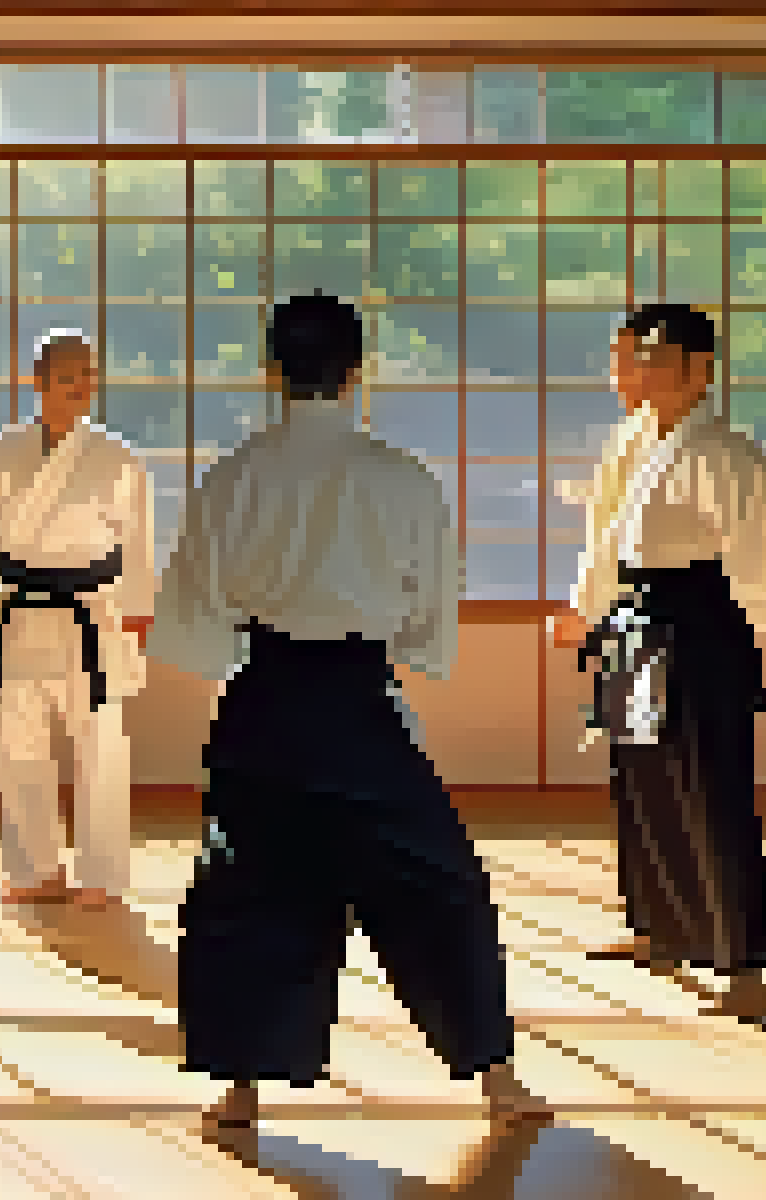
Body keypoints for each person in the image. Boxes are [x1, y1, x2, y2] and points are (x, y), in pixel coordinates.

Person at [150, 293, 544, 1136]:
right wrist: (398, 646)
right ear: (357, 372)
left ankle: (241, 1088)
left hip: (262, 701)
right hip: (358, 703)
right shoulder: (399, 479)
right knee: (438, 887)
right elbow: (431, 607)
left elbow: (196, 612)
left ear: (271, 373)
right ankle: (497, 1077)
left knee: (251, 891)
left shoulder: (234, 476)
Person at [553, 303, 766, 1019]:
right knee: (644, 780)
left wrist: (742, 617)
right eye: (639, 357)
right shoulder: (647, 439)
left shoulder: (719, 451)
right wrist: (591, 613)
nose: (643, 369)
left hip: (697, 621)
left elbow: (765, 534)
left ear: (702, 371)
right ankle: (660, 927)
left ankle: (744, 966)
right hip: (643, 616)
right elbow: (612, 537)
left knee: (711, 787)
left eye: (661, 357)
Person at [0, 330, 154, 910]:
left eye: (87, 378)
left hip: (92, 613)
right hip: (19, 614)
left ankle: (100, 874)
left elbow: (137, 542)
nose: (79, 388)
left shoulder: (117, 459)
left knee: (101, 745)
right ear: (37, 381)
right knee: (19, 744)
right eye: (66, 377)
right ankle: (35, 868)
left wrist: (138, 610)